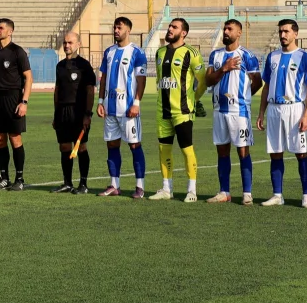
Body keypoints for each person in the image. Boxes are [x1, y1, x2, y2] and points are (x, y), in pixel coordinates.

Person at [257, 19, 307, 206]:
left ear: (295, 34)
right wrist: (261, 113)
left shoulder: (304, 57)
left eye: (286, 31)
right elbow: (266, 87)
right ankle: (277, 195)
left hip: (294, 108)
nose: (282, 35)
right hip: (274, 109)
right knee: (275, 153)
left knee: (301, 153)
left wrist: (306, 115)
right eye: (281, 31)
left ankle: (306, 196)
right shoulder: (272, 57)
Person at [205, 19, 262, 204]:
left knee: (243, 151)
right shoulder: (215, 55)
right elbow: (208, 80)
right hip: (219, 110)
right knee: (222, 152)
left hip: (239, 111)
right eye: (225, 28)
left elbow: (257, 82)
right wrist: (224, 68)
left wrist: (243, 97)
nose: (226, 32)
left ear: (239, 33)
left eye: (230, 29)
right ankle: (224, 192)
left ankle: (247, 193)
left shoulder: (247, 56)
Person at [150, 18, 205, 202]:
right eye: (169, 26)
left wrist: (194, 100)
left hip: (182, 111)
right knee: (163, 149)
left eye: (174, 27)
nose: (170, 29)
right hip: (163, 110)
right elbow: (160, 80)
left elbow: (203, 81)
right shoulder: (160, 52)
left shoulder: (191, 53)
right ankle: (167, 189)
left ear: (184, 33)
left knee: (186, 149)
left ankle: (192, 191)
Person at [96, 17, 147, 198]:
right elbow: (103, 78)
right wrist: (100, 101)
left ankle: (140, 186)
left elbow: (141, 80)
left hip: (128, 110)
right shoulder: (109, 52)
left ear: (128, 30)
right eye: (115, 27)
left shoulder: (137, 52)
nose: (116, 30)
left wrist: (136, 104)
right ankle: (114, 185)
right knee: (112, 145)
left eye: (119, 27)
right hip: (110, 109)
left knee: (134, 145)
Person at [0, 18, 33, 190]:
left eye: (1, 28)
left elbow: (28, 77)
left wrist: (24, 101)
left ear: (10, 31)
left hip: (14, 97)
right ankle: (4, 178)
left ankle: (20, 178)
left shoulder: (17, 52)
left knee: (15, 138)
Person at [51, 31, 95, 194]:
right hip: (62, 112)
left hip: (78, 111)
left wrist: (87, 114)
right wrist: (56, 114)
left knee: (81, 147)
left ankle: (83, 184)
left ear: (78, 44)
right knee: (64, 146)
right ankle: (67, 183)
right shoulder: (60, 66)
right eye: (65, 42)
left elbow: (90, 91)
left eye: (70, 42)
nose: (66, 45)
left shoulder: (84, 65)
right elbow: (57, 90)